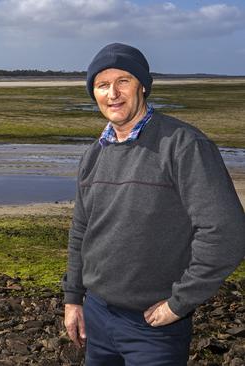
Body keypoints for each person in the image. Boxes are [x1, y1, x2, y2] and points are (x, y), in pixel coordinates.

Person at [62, 42, 245, 365]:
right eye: (102, 85)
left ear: (143, 85)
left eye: (123, 81)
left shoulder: (183, 145)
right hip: (97, 317)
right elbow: (81, 231)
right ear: (94, 94)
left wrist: (179, 303)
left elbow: (226, 232)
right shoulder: (94, 154)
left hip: (153, 327)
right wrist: (73, 299)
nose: (113, 93)